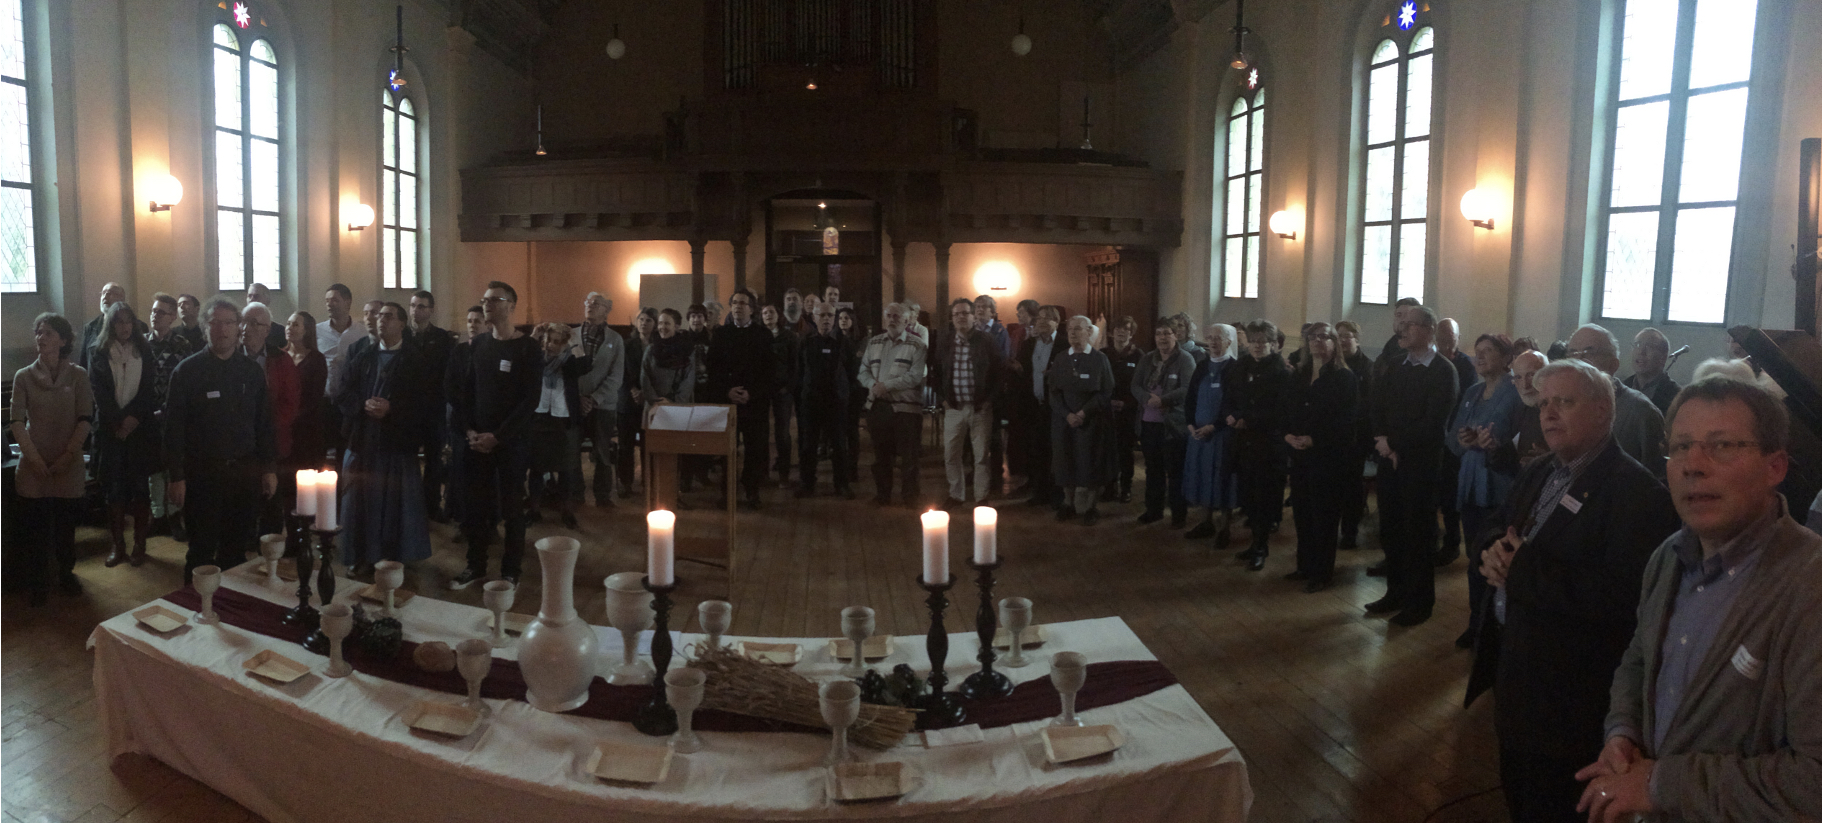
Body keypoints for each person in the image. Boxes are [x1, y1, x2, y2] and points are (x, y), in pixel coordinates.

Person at [1576, 377, 1822, 823]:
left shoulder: (1810, 587)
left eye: (1722, 445)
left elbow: (1815, 781)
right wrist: (1623, 729)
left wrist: (1660, 784)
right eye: (1682, 446)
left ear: (1775, 467)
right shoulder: (1668, 556)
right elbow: (1640, 658)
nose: (1693, 464)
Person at [1460, 358, 1678, 823]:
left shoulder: (1636, 492)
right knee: (1517, 792)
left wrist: (1521, 571)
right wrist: (1489, 552)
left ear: (1604, 410)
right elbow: (1501, 523)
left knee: (1554, 804)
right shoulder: (1542, 470)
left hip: (1570, 696)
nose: (1549, 413)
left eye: (1565, 401)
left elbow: (1624, 596)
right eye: (1544, 404)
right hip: (1515, 670)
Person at [163, 299, 278, 582]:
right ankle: (195, 612)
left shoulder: (251, 372)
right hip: (203, 475)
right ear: (205, 328)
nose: (222, 329)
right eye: (215, 322)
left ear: (238, 328)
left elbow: (264, 425)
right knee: (200, 550)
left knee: (236, 551)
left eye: (229, 322)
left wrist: (269, 468)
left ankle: (231, 613)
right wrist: (176, 476)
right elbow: (173, 428)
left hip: (244, 474)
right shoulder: (188, 371)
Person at [1367, 305, 1459, 625]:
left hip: (1421, 466)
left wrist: (1393, 443)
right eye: (1400, 324)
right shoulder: (1395, 365)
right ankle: (1395, 592)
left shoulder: (1443, 371)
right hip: (1390, 461)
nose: (1401, 331)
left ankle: (1419, 604)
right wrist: (1382, 440)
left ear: (1430, 330)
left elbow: (1433, 424)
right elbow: (1377, 406)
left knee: (1418, 535)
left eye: (1409, 325)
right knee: (1391, 530)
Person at [450, 282, 542, 589]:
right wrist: (470, 430)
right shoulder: (478, 345)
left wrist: (498, 437)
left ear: (512, 305)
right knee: (476, 507)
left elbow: (529, 400)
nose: (486, 304)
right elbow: (466, 393)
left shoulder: (528, 348)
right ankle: (475, 565)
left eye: (494, 300)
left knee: (513, 508)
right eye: (484, 300)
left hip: (511, 442)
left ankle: (510, 570)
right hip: (478, 442)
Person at [336, 302, 433, 571]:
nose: (381, 320)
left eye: (388, 316)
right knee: (362, 501)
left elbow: (424, 403)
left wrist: (392, 409)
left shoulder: (415, 360)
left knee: (393, 504)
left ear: (402, 324)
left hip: (396, 444)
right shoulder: (363, 356)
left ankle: (393, 556)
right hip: (364, 441)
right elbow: (343, 392)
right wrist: (362, 405)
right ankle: (362, 555)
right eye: (379, 316)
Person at [1446, 334, 1524, 648]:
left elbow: (1508, 437)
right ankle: (1475, 622)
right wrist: (1464, 441)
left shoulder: (1515, 392)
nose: (1480, 358)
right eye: (1477, 352)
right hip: (1470, 482)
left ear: (1507, 359)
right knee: (1474, 557)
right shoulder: (1473, 391)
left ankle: (1495, 628)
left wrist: (1487, 442)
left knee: (1497, 559)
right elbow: (1452, 439)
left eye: (1488, 352)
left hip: (1499, 483)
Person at [11, 314, 93, 605]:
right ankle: (38, 582)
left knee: (65, 528)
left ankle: (66, 574)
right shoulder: (24, 376)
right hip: (34, 467)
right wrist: (34, 459)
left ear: (63, 340)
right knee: (36, 529)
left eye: (48, 333)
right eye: (38, 332)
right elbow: (17, 422)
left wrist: (68, 456)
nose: (41, 337)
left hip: (67, 466)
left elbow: (85, 419)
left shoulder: (78, 375)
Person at [1280, 322, 1359, 592]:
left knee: (1323, 516)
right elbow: (1287, 411)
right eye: (1312, 337)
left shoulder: (1343, 377)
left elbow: (1346, 422)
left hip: (1328, 456)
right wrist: (1288, 435)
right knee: (1301, 512)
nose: (1317, 341)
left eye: (1323, 337)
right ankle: (1304, 565)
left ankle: (1322, 572)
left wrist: (1315, 438)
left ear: (1334, 343)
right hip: (1300, 454)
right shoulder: (1299, 374)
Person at [90, 301, 158, 568]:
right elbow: (99, 393)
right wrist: (118, 422)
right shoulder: (98, 352)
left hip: (139, 431)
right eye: (119, 321)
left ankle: (140, 544)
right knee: (114, 492)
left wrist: (132, 419)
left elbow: (149, 389)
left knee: (141, 490)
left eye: (128, 321)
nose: (125, 327)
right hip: (111, 432)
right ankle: (118, 545)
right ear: (110, 324)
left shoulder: (144, 349)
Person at [1226, 320, 1292, 570]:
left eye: (1263, 341)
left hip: (1268, 445)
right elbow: (1229, 396)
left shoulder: (1281, 373)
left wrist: (1248, 419)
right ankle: (1252, 543)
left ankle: (1261, 546)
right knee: (1248, 498)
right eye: (1253, 341)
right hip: (1242, 443)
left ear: (1274, 345)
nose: (1257, 345)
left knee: (1264, 499)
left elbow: (1281, 411)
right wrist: (1230, 415)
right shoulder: (1240, 366)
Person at [1568, 323, 1666, 480]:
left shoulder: (1641, 411)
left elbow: (1655, 481)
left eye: (1588, 353)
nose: (1579, 361)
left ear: (1613, 365)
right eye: (1573, 354)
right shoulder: (1561, 404)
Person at [929, 297, 1001, 508]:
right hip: (954, 408)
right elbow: (935, 373)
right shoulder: (945, 341)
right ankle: (956, 494)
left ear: (973, 316)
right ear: (952, 318)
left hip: (980, 409)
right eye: (957, 313)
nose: (961, 317)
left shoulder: (986, 341)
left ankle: (981, 497)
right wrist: (943, 400)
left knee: (980, 456)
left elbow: (998, 372)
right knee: (951, 454)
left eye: (965, 313)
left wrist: (989, 400)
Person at [708, 288, 776, 510]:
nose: (738, 306)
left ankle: (752, 491)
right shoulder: (720, 334)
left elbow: (769, 371)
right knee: (727, 449)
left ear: (752, 308)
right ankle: (726, 492)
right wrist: (727, 391)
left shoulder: (763, 335)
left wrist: (752, 393)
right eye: (734, 302)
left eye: (743, 303)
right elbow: (713, 369)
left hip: (754, 402)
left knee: (754, 450)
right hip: (727, 401)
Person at [859, 302, 929, 507]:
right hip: (878, 407)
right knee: (881, 457)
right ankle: (883, 495)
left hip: (906, 410)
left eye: (897, 316)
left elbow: (915, 376)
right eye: (888, 315)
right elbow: (862, 371)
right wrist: (873, 385)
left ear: (907, 320)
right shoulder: (874, 343)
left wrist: (885, 386)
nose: (892, 319)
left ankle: (910, 496)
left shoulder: (918, 345)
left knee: (909, 457)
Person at [1048, 316, 1115, 525]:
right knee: (1065, 461)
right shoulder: (1060, 358)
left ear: (1088, 332)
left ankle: (1090, 507)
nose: (1073, 333)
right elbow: (1053, 392)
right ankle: (1068, 503)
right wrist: (1067, 414)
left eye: (1078, 329)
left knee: (1090, 462)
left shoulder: (1099, 359)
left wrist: (1083, 413)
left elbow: (1106, 390)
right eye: (1069, 330)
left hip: (1091, 421)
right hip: (1064, 421)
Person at [526, 322, 591, 530]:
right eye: (549, 341)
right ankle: (534, 509)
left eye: (557, 342)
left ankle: (566, 510)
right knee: (536, 467)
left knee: (566, 468)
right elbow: (523, 355)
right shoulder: (536, 359)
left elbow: (586, 364)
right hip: (540, 416)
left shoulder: (570, 362)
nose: (552, 346)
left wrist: (573, 342)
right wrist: (534, 335)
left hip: (563, 418)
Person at [1135, 318, 1200, 528]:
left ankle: (1178, 514)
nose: (1162, 338)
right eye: (1159, 334)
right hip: (1149, 422)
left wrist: (1163, 400)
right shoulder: (1147, 359)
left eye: (1167, 333)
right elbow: (1135, 385)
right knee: (1153, 469)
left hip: (1173, 425)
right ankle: (1153, 510)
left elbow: (1187, 388)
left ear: (1175, 335)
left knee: (1175, 472)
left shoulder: (1186, 359)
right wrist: (1147, 399)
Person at [243, 302, 300, 536]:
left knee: (270, 498)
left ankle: (271, 546)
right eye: (243, 321)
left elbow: (291, 402)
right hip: (239, 442)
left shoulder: (280, 359)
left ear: (266, 330)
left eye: (253, 323)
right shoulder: (230, 356)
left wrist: (265, 427)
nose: (245, 328)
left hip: (272, 439)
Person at [145, 293, 195, 541]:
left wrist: (167, 410)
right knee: (153, 466)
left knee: (173, 465)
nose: (155, 316)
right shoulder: (142, 343)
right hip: (146, 417)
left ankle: (175, 515)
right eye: (153, 311)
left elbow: (185, 383)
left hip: (172, 415)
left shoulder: (182, 345)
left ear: (173, 317)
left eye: (161, 312)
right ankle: (158, 515)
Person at [797, 303, 854, 499]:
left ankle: (842, 485)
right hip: (811, 401)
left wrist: (847, 395)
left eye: (830, 315)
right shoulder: (805, 341)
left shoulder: (843, 342)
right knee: (808, 445)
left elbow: (852, 371)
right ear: (814, 317)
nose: (826, 319)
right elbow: (798, 370)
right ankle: (807, 484)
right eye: (822, 315)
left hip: (836, 401)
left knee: (839, 445)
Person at [409, 290, 457, 520]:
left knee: (434, 460)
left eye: (421, 306)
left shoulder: (442, 338)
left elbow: (447, 374)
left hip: (433, 408)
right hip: (408, 409)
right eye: (413, 305)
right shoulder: (403, 335)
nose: (415, 310)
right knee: (408, 460)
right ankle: (410, 505)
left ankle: (431, 504)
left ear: (431, 310)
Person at [574, 292, 624, 507]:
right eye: (588, 302)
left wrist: (594, 399)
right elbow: (563, 370)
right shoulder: (571, 335)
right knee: (571, 451)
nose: (590, 305)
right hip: (574, 405)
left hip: (603, 406)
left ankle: (603, 496)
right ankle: (574, 494)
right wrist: (577, 398)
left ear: (607, 310)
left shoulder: (615, 339)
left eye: (596, 303)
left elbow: (616, 375)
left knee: (603, 452)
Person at [1435, 318, 1477, 565]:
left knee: (1450, 494)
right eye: (1442, 336)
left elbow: (1465, 404)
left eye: (1451, 336)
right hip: (1432, 438)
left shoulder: (1465, 366)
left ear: (1458, 338)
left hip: (1453, 440)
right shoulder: (1431, 362)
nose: (1446, 340)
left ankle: (1452, 542)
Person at [443, 305, 489, 527]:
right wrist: (465, 425)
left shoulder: (491, 350)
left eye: (477, 321)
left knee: (486, 478)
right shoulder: (459, 351)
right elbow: (450, 386)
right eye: (469, 320)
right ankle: (462, 521)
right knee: (461, 474)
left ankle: (488, 523)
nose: (472, 325)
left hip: (484, 422)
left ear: (486, 325)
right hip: (461, 421)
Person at [1013, 306, 1062, 507]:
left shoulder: (1064, 344)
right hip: (1033, 406)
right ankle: (1039, 492)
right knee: (1036, 450)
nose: (1042, 321)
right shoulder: (1029, 344)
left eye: (1047, 318)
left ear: (1056, 322)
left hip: (1056, 407)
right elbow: (1023, 373)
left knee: (1056, 451)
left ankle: (1058, 495)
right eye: (1040, 318)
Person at [1336, 320, 1374, 549]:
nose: (1341, 340)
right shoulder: (1332, 364)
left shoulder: (1367, 367)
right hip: (1332, 437)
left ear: (1356, 340)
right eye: (1338, 336)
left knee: (1352, 487)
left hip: (1355, 437)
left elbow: (1368, 404)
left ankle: (1349, 531)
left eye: (1346, 336)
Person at [283, 310, 327, 485]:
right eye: (288, 323)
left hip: (307, 429)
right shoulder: (280, 356)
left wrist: (292, 416)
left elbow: (314, 397)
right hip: (283, 428)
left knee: (305, 481)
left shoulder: (316, 359)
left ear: (306, 330)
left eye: (295, 324)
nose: (289, 328)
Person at [617, 307, 656, 498]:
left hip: (650, 401)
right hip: (628, 401)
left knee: (649, 444)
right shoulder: (626, 344)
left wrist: (646, 393)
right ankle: (626, 483)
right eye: (641, 319)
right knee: (625, 445)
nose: (644, 323)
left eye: (649, 320)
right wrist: (633, 389)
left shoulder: (659, 345)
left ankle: (649, 481)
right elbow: (621, 370)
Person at [760, 303, 799, 485]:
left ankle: (784, 473)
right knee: (761, 432)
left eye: (771, 312)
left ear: (778, 315)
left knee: (782, 432)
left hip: (782, 390)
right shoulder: (757, 335)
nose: (768, 315)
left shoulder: (789, 337)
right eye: (765, 312)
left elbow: (795, 365)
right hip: (762, 390)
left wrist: (789, 387)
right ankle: (763, 473)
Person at [837, 306, 868, 484]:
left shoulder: (861, 340)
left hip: (855, 390)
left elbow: (859, 363)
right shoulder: (835, 340)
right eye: (840, 318)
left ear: (853, 320)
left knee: (852, 430)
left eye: (847, 318)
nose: (843, 320)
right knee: (839, 430)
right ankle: (841, 467)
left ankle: (853, 467)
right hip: (838, 390)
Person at [641, 308, 696, 406]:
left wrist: (673, 402)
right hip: (654, 405)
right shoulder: (651, 349)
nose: (662, 327)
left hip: (679, 406)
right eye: (660, 323)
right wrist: (655, 400)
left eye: (667, 323)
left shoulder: (687, 350)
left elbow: (688, 380)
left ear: (677, 326)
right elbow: (645, 377)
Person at [1623, 328, 1680, 415]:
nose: (1641, 352)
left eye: (1649, 347)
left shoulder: (1675, 396)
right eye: (1637, 345)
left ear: (1663, 357)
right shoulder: (1622, 388)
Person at [78, 281, 128, 370]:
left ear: (122, 299)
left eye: (110, 293)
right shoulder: (90, 327)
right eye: (103, 293)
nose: (105, 297)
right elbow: (84, 360)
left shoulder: (136, 326)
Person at [246, 283, 287, 350]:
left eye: (256, 296)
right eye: (249, 296)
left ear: (267, 300)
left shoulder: (279, 331)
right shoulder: (237, 327)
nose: (252, 299)